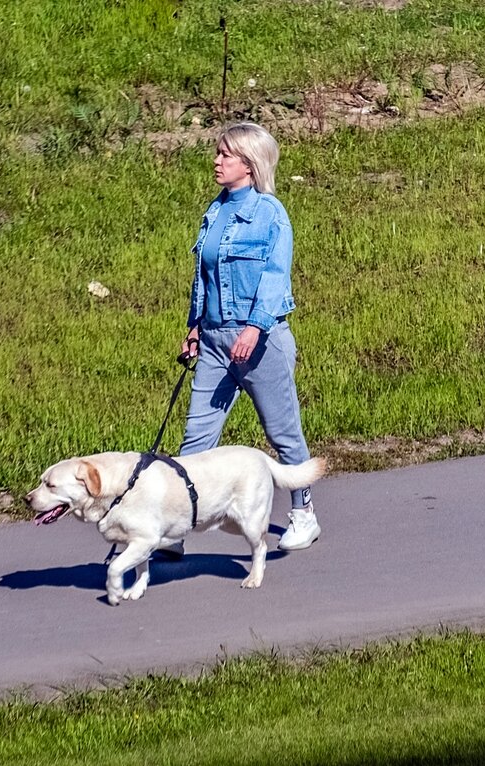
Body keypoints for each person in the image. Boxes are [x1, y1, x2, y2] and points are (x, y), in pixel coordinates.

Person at [162, 122, 319, 559]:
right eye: (218, 153)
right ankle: (176, 526)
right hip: (213, 341)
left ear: (249, 165)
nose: (217, 161)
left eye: (226, 155)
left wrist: (254, 327)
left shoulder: (270, 213)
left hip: (259, 341)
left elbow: (274, 276)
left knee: (282, 432)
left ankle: (304, 513)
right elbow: (205, 276)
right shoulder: (215, 211)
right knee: (197, 438)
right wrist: (195, 324)